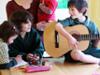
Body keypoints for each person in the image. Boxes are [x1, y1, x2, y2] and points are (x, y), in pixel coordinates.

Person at [55, 0, 100, 64]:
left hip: (88, 50)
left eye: (72, 10)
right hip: (72, 51)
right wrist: (70, 38)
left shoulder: (91, 25)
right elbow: (58, 26)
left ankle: (90, 59)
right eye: (69, 9)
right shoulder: (70, 20)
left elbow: (94, 46)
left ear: (82, 10)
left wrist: (97, 40)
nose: (69, 12)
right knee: (76, 54)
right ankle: (97, 61)